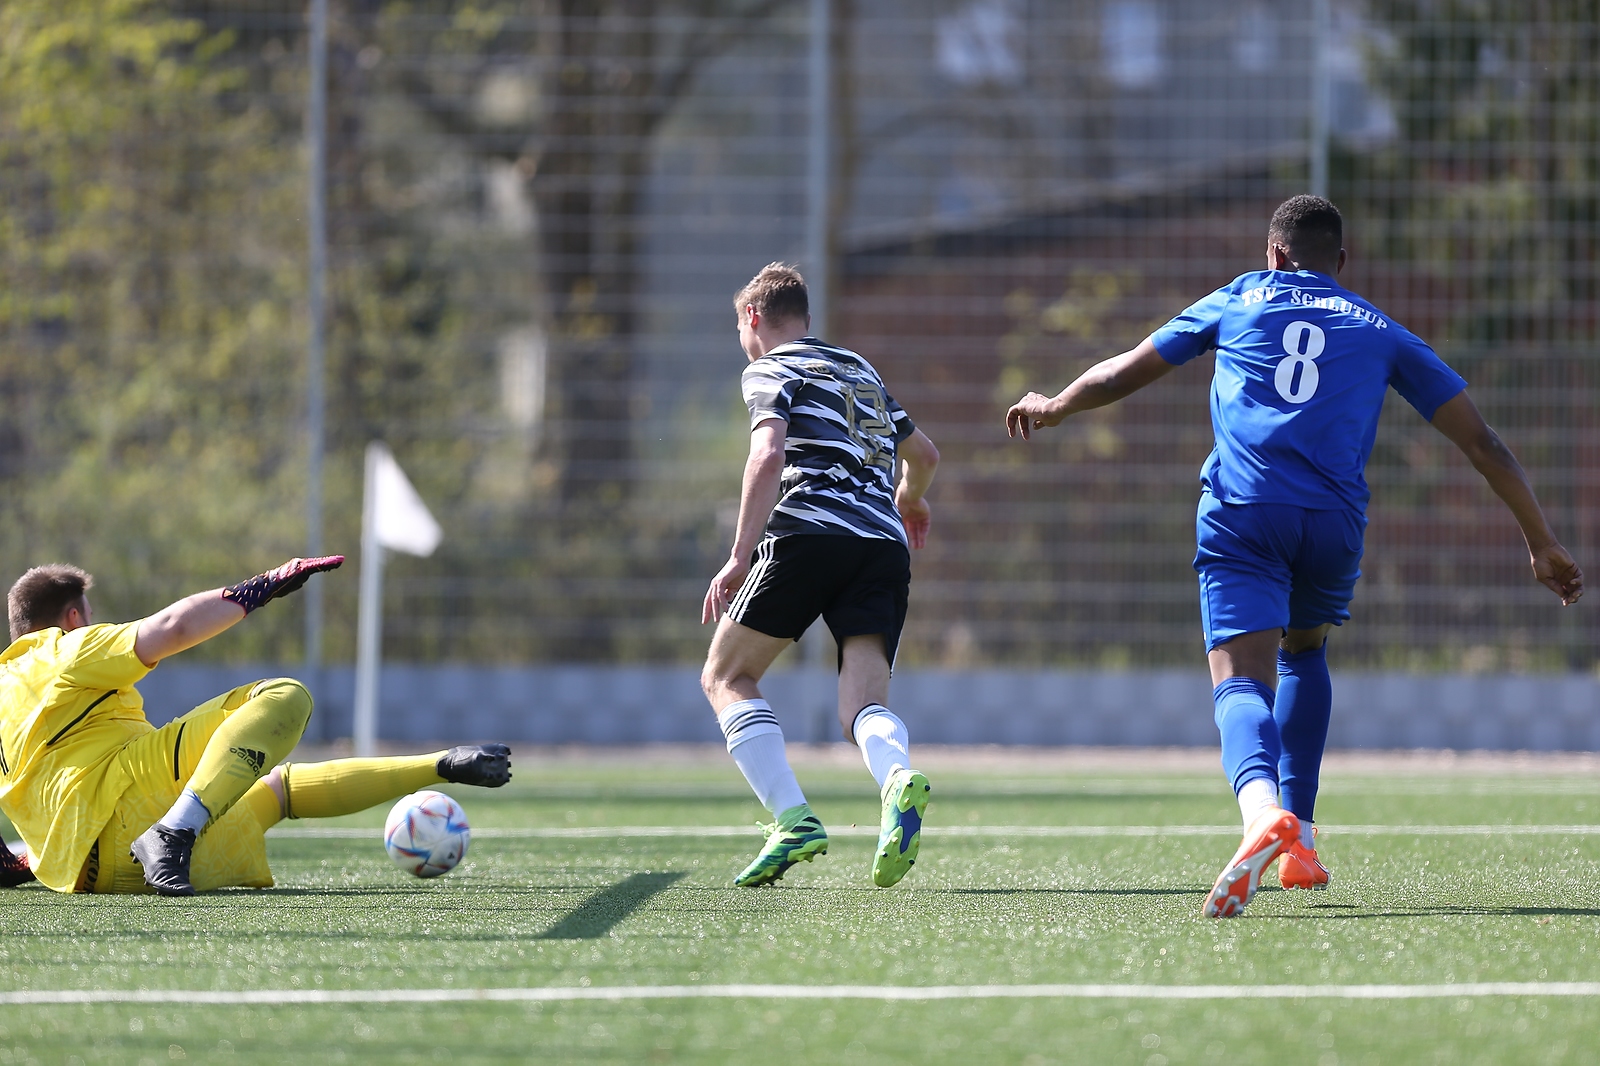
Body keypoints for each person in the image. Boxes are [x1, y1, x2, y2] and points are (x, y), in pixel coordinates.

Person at [1005, 195, 1583, 918]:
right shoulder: (1380, 329)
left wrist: (1056, 404)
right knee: (1303, 654)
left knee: (1238, 678)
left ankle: (1260, 818)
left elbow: (1124, 371)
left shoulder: (1238, 297)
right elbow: (1483, 443)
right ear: (1341, 263)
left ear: (1272, 253)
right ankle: (1301, 840)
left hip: (1246, 513)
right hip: (1333, 526)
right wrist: (1541, 539)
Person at [0, 558, 511, 896]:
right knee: (283, 696)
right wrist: (259, 588)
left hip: (96, 877)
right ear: (71, 619)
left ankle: (442, 763)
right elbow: (170, 628)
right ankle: (175, 830)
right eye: (91, 617)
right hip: (131, 815)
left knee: (270, 790)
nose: (96, 624)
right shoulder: (63, 649)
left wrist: (20, 859)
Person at [701, 262, 941, 888]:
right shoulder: (859, 369)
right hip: (883, 543)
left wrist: (738, 554)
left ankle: (792, 819)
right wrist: (910, 498)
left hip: (808, 532)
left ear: (753, 317)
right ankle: (895, 779)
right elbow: (925, 455)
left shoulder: (769, 368)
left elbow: (769, 452)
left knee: (727, 676)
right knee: (861, 706)